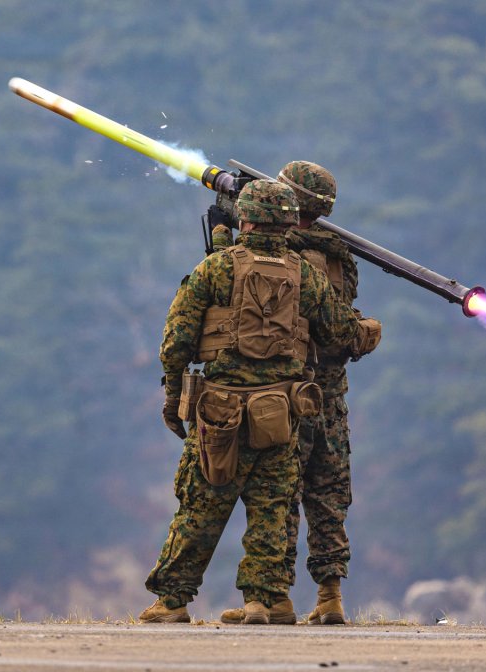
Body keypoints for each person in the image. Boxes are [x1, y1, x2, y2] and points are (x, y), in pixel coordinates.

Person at [140, 179, 381, 625]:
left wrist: (174, 394)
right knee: (271, 509)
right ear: (289, 222)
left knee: (201, 505)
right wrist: (368, 330)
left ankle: (173, 601)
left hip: (220, 412)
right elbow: (338, 333)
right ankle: (263, 600)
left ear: (245, 219)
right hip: (280, 413)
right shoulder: (305, 274)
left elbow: (177, 340)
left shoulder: (217, 269)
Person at [221, 161, 367, 625]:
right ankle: (330, 597)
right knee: (329, 495)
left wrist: (227, 236)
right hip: (331, 394)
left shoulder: (281, 258)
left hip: (286, 394)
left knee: (278, 492)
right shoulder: (339, 255)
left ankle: (275, 598)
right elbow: (344, 323)